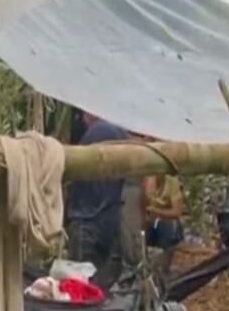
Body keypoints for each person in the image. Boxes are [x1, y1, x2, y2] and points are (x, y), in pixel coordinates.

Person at [64, 112, 128, 280]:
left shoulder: (101, 132)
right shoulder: (118, 134)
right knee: (98, 288)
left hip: (86, 224)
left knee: (80, 288)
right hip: (108, 224)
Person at [141, 172, 185, 276]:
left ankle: (164, 268)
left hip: (165, 221)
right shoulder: (144, 179)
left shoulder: (172, 182)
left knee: (169, 227)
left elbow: (177, 212)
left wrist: (155, 211)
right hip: (148, 221)